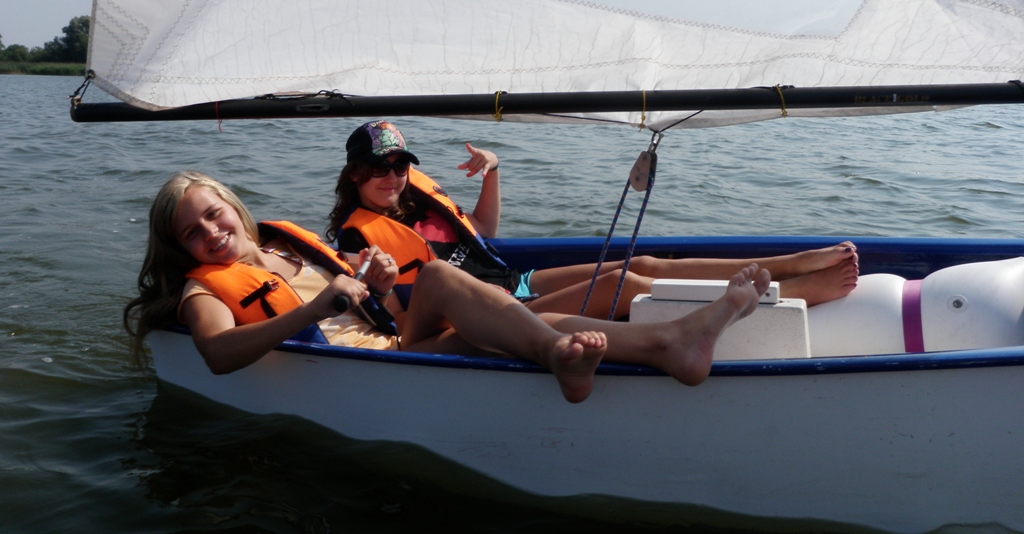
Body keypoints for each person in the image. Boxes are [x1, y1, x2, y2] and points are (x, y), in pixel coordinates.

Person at [124, 171, 772, 404]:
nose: (211, 233)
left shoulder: (283, 248)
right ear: (180, 248)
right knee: (517, 331)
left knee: (438, 276)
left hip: (394, 341)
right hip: (366, 368)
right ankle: (665, 343)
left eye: (215, 215)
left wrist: (376, 284)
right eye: (192, 232)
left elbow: (376, 307)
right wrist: (316, 306)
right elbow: (217, 354)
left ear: (234, 208)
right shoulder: (202, 293)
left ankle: (663, 344)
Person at [328, 121, 859, 318]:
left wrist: (494, 168)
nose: (392, 176)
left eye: (400, 166)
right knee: (622, 284)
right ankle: (789, 296)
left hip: (515, 282)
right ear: (355, 174)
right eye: (379, 168)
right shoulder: (357, 237)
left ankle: (788, 263)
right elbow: (394, 313)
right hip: (495, 311)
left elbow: (483, 234)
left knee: (642, 262)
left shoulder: (414, 203)